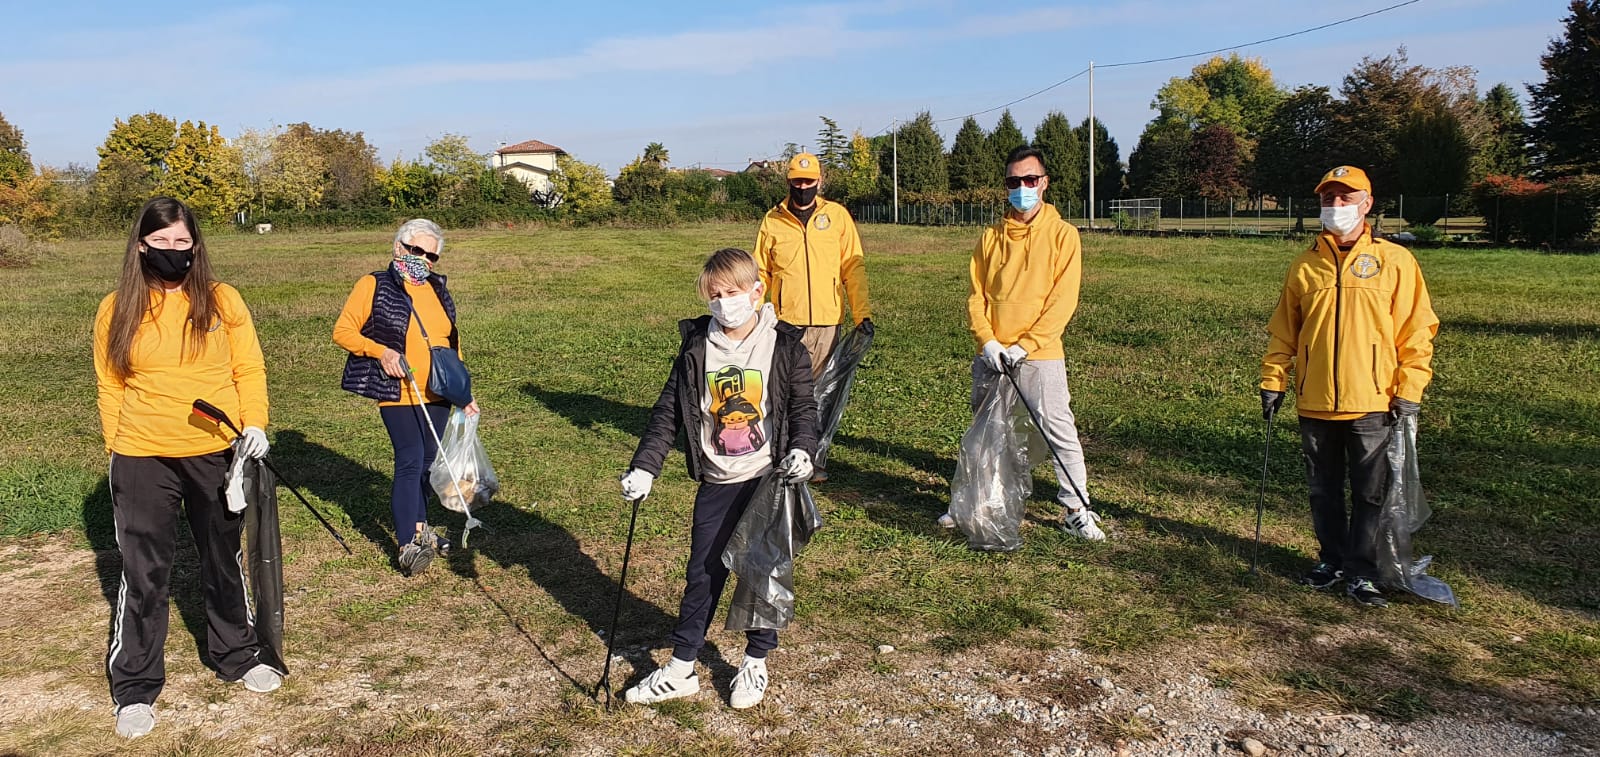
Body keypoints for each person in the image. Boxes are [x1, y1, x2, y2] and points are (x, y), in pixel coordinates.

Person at [93, 197, 282, 739]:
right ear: (141, 246)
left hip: (216, 450)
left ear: (195, 247)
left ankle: (237, 655)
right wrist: (118, 444)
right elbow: (110, 382)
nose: (172, 252)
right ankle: (135, 686)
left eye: (182, 242)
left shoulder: (223, 300)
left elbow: (248, 364)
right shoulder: (117, 307)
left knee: (222, 556)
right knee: (144, 572)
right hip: (142, 455)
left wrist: (255, 423)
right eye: (161, 242)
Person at [617, 248, 819, 710]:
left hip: (767, 480)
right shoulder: (696, 347)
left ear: (756, 291)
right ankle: (681, 667)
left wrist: (803, 450)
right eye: (714, 296)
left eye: (732, 293)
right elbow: (668, 413)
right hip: (717, 478)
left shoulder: (784, 345)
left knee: (763, 572)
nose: (724, 303)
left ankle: (754, 661)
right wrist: (646, 466)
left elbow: (804, 408)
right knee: (703, 573)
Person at [1259, 165, 1438, 608]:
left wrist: (1410, 389)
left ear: (1367, 204)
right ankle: (1331, 560)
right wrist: (1272, 378)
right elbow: (1285, 330)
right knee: (1322, 489)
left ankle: (1362, 570)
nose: (1336, 207)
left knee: (1369, 492)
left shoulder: (1395, 262)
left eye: (1345, 199)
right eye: (1328, 199)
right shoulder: (1305, 265)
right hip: (1315, 400)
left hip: (1372, 400)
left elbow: (1416, 332)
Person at [942, 145, 1107, 541]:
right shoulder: (991, 237)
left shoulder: (1063, 236)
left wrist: (1027, 345)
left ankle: (1076, 508)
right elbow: (975, 296)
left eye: (1030, 180)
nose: (1022, 188)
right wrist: (987, 342)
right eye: (1014, 182)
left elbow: (1062, 300)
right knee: (986, 432)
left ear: (1044, 183)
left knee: (1057, 430)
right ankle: (974, 501)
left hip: (1040, 355)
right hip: (993, 355)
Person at [335, 219, 478, 576]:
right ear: (399, 247)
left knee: (429, 463)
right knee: (411, 459)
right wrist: (380, 352)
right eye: (418, 251)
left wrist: (464, 393)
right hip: (398, 391)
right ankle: (407, 543)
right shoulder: (374, 285)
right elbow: (343, 331)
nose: (425, 260)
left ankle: (421, 527)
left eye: (432, 256)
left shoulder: (438, 289)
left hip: (439, 392)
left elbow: (450, 343)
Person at [752, 152, 872, 482]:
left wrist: (861, 313)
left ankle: (814, 459)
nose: (802, 187)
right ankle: (778, 454)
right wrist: (755, 312)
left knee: (820, 392)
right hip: (785, 324)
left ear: (820, 181)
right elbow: (760, 270)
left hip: (826, 322)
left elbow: (853, 267)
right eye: (796, 181)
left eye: (808, 181)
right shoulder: (772, 220)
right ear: (788, 181)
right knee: (783, 391)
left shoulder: (837, 217)